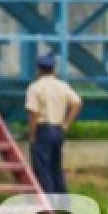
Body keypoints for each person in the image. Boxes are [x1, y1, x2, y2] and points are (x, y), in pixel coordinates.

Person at [25, 53, 83, 195]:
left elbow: (34, 113)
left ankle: (48, 205)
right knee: (56, 167)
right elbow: (77, 102)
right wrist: (66, 124)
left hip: (43, 129)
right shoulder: (62, 85)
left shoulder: (35, 87)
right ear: (54, 69)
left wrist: (32, 135)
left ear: (39, 69)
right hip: (58, 129)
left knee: (42, 168)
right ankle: (62, 203)